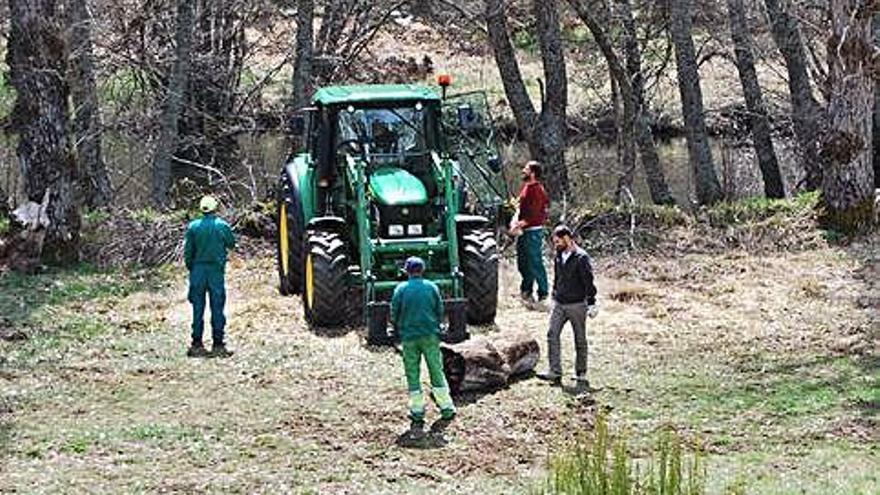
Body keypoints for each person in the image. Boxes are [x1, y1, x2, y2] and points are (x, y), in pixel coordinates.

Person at [391, 256, 456, 428]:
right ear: (423, 270)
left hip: (409, 337)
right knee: (436, 369)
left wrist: (396, 327)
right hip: (430, 336)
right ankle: (446, 407)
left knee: (413, 373)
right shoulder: (432, 287)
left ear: (407, 271)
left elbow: (394, 312)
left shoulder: (400, 289)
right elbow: (439, 309)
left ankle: (417, 410)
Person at [537, 225, 598, 387]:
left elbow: (588, 282)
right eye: (554, 242)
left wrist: (592, 302)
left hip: (577, 304)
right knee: (552, 334)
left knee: (579, 339)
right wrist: (553, 295)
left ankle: (581, 373)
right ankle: (555, 372)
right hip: (560, 303)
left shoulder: (581, 257)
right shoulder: (558, 255)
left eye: (558, 242)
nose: (555, 245)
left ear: (567, 239)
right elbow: (557, 277)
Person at [184, 195, 236, 358]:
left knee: (197, 308)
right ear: (215, 208)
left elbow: (188, 253)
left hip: (198, 270)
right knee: (217, 307)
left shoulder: (193, 227)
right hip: (215, 271)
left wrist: (191, 268)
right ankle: (218, 341)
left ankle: (197, 341)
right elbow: (231, 244)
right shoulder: (222, 226)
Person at [514, 160, 550, 302]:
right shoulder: (527, 187)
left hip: (533, 232)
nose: (523, 170)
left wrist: (520, 223)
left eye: (526, 169)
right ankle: (526, 291)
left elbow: (536, 213)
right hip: (524, 231)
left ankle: (543, 292)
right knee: (523, 262)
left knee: (535, 262)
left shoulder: (537, 190)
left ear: (533, 173)